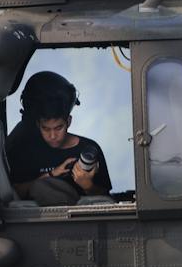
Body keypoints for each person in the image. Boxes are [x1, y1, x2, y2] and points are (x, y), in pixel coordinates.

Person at [6, 71, 112, 205]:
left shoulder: (89, 149)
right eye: (46, 128)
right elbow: (15, 192)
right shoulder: (25, 150)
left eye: (58, 128)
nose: (52, 136)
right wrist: (51, 174)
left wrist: (88, 186)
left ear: (69, 121)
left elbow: (105, 200)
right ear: (38, 124)